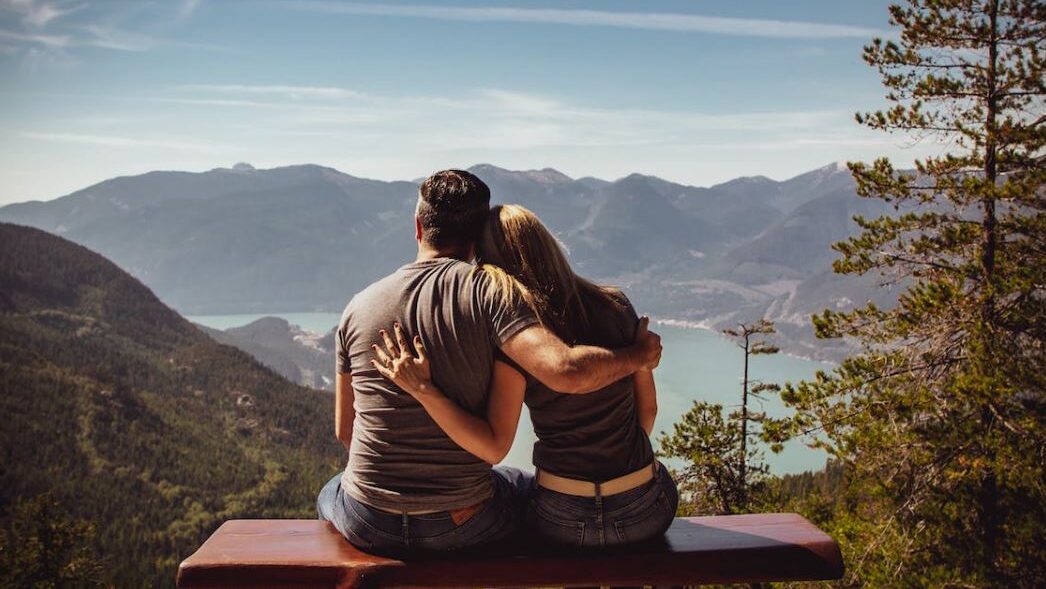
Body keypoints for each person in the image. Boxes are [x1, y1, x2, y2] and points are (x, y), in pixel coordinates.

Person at [317, 171, 663, 556]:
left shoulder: (356, 307)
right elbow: (561, 377)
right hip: (464, 522)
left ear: (417, 227)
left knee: (332, 489)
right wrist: (638, 357)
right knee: (515, 484)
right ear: (476, 237)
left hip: (368, 519)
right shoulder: (493, 296)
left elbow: (346, 432)